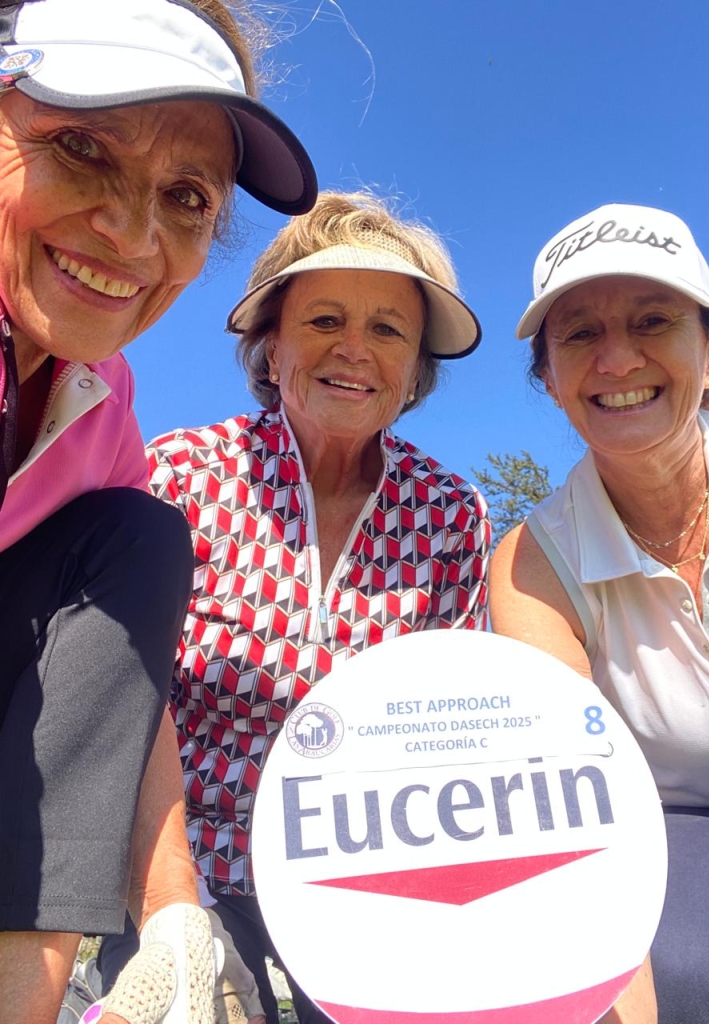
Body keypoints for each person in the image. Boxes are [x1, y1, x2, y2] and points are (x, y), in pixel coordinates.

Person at [98, 190, 490, 1024]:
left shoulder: (451, 513)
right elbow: (123, 702)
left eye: (388, 329)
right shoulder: (180, 475)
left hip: (367, 871)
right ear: (271, 348)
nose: (354, 349)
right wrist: (176, 917)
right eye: (323, 321)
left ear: (415, 368)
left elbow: (451, 727)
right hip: (185, 861)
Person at [0, 1, 316, 1021]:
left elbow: (117, 661)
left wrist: (176, 912)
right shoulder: (204, 459)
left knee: (138, 536)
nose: (134, 235)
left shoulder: (106, 405)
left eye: (186, 197)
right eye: (81, 146)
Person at [490, 202, 709, 1024]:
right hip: (690, 826)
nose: (616, 359)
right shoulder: (532, 563)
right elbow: (571, 806)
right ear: (549, 380)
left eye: (651, 321)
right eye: (579, 334)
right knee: (687, 971)